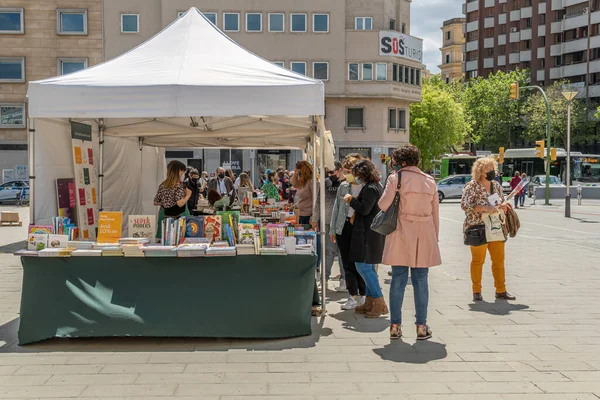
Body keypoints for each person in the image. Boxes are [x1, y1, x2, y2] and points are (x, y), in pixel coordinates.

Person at [379, 145, 441, 340]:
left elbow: (383, 204)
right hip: (425, 232)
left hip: (401, 231)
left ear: (402, 162)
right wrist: (434, 238)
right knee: (421, 280)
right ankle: (421, 327)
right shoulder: (430, 180)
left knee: (398, 278)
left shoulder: (396, 178)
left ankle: (395, 326)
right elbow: (435, 213)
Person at [461, 157, 515, 302]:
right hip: (477, 227)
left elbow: (499, 201)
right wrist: (486, 208)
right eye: (488, 169)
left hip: (495, 226)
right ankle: (476, 291)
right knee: (478, 261)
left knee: (499, 260)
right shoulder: (471, 186)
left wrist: (503, 206)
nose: (492, 172)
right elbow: (465, 206)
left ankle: (501, 290)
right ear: (480, 170)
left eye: (493, 169)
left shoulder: (495, 185)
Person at [342, 159, 387, 318]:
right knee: (368, 267)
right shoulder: (376, 186)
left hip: (367, 233)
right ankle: (369, 301)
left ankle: (379, 301)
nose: (355, 178)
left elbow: (364, 209)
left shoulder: (370, 188)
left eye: (357, 175)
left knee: (364, 267)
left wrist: (350, 200)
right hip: (371, 232)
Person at [331, 154, 366, 308]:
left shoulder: (367, 186)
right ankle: (352, 295)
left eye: (348, 171)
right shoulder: (343, 186)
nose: (346, 174)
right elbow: (336, 209)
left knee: (360, 263)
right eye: (345, 171)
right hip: (343, 226)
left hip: (360, 228)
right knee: (347, 263)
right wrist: (333, 229)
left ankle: (363, 294)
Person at [312, 161, 346, 285]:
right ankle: (325, 278)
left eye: (332, 171)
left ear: (339, 170)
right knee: (329, 251)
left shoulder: (347, 183)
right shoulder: (325, 183)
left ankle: (343, 279)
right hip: (327, 221)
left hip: (342, 222)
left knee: (341, 253)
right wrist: (315, 218)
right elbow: (319, 202)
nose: (329, 174)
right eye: (328, 172)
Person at [153, 160, 192, 238]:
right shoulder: (179, 185)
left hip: (164, 214)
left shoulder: (163, 185)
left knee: (165, 240)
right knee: (179, 239)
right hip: (179, 216)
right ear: (178, 171)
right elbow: (180, 203)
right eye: (182, 171)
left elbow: (156, 202)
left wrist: (167, 202)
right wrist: (188, 195)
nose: (183, 174)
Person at [291, 161, 314, 225]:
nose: (299, 174)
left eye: (300, 172)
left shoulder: (311, 182)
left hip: (308, 216)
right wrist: (295, 173)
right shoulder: (303, 182)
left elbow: (316, 199)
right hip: (302, 214)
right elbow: (294, 183)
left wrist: (313, 215)